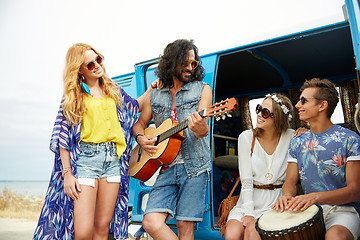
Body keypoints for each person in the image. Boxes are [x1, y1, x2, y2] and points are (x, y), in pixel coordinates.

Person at [33, 43, 157, 240]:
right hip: (86, 162)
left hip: (113, 163)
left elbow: (135, 107)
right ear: (79, 70)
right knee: (82, 233)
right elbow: (62, 137)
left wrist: (151, 89)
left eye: (98, 59)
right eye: (90, 64)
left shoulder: (113, 90)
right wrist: (67, 174)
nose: (97, 65)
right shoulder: (74, 96)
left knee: (102, 228)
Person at [132, 39, 212, 240]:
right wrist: (141, 139)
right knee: (150, 221)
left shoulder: (203, 89)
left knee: (185, 226)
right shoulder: (156, 94)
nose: (189, 67)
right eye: (185, 62)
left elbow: (203, 132)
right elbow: (138, 124)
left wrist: (200, 126)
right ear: (172, 61)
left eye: (193, 63)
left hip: (195, 166)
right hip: (166, 166)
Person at [273, 78, 360, 240]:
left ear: (322, 105)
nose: (297, 105)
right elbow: (290, 183)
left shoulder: (350, 139)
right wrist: (286, 196)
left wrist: (315, 197)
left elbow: (355, 191)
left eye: (303, 101)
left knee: (335, 237)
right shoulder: (297, 141)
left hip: (344, 211)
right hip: (308, 211)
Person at [224, 93, 295, 240]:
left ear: (279, 118)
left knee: (254, 232)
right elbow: (246, 180)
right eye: (259, 109)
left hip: (276, 201)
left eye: (265, 112)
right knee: (232, 234)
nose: (259, 115)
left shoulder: (292, 137)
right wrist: (248, 212)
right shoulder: (246, 137)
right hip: (249, 199)